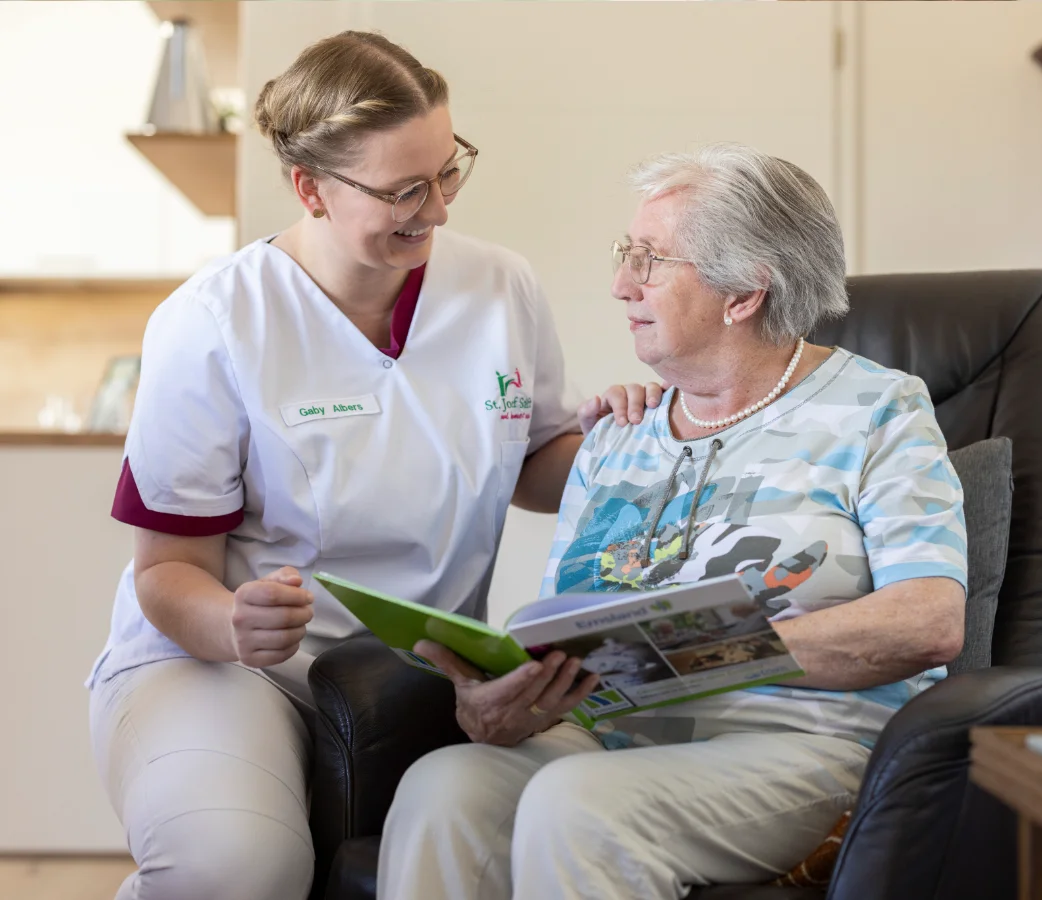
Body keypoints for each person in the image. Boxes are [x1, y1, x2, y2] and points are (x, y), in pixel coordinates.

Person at [86, 31, 656, 900]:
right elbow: (168, 570)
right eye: (402, 190)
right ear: (309, 189)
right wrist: (233, 623)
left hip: (420, 670)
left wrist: (621, 447)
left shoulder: (500, 287)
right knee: (237, 869)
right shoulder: (214, 322)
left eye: (448, 171)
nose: (436, 210)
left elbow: (535, 459)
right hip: (230, 664)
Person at [381, 144, 968, 900]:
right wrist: (501, 700)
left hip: (802, 747)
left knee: (580, 806)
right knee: (443, 788)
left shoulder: (879, 410)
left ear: (744, 291)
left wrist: (695, 649)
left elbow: (928, 621)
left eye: (650, 259)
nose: (621, 284)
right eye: (626, 254)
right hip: (612, 740)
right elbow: (565, 635)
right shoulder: (618, 435)